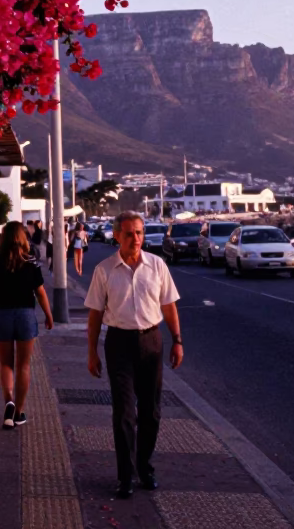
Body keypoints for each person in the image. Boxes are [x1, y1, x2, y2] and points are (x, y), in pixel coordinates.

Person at [84, 211, 182, 500]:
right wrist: (91, 352)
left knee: (151, 411)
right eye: (129, 233)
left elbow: (169, 306)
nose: (136, 238)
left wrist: (177, 341)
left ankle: (145, 467)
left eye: (139, 232)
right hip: (119, 343)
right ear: (117, 236)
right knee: (124, 412)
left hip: (151, 342)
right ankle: (125, 476)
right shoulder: (104, 270)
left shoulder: (157, 265)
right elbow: (95, 314)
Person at [0, 221, 55, 429]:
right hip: (25, 315)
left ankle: (9, 401)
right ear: (23, 238)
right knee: (23, 365)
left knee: (5, 363)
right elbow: (40, 292)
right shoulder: (31, 262)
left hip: (2, 314)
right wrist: (49, 315)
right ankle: (19, 412)